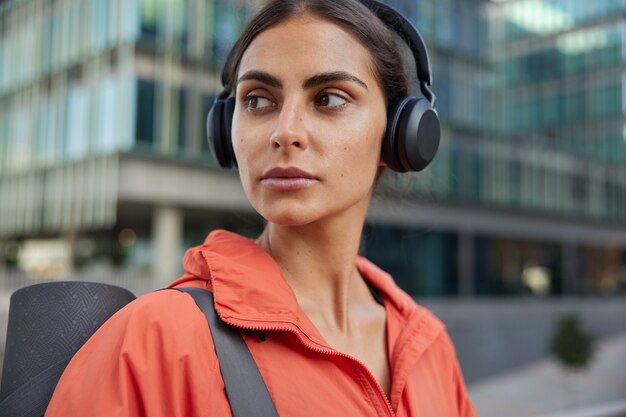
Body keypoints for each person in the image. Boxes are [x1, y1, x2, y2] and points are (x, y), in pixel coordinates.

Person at [45, 1, 477, 416]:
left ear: (399, 136)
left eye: (328, 98)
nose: (284, 132)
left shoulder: (427, 347)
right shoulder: (156, 340)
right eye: (257, 100)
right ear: (226, 130)